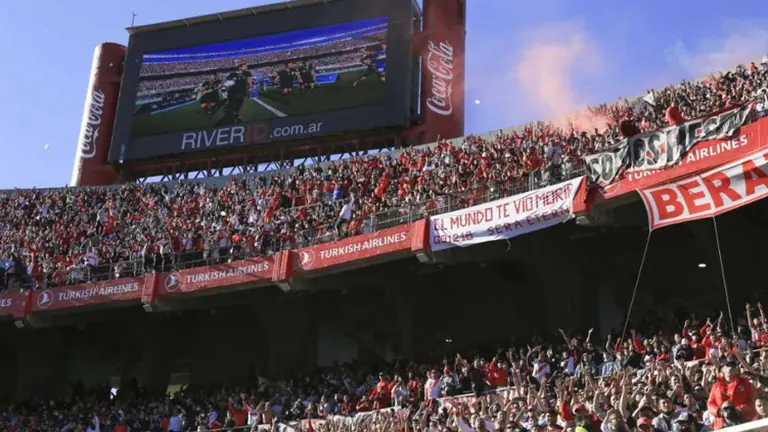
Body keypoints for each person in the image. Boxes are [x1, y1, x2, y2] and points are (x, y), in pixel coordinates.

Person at [707, 360, 756, 429]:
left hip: (743, 422)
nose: (730, 368)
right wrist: (719, 411)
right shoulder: (715, 386)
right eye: (727, 366)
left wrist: (738, 410)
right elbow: (710, 403)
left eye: (732, 366)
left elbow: (754, 401)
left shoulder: (746, 384)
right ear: (723, 369)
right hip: (721, 424)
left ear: (737, 370)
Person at [219, 61, 253, 125]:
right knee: (234, 105)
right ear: (240, 67)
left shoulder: (247, 73)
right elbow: (226, 82)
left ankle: (234, 114)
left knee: (239, 104)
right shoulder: (232, 74)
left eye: (247, 66)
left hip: (242, 92)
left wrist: (251, 86)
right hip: (232, 92)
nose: (246, 67)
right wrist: (225, 85)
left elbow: (249, 80)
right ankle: (234, 117)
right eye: (245, 66)